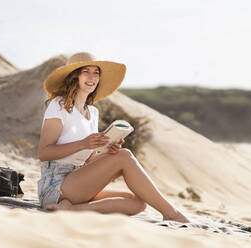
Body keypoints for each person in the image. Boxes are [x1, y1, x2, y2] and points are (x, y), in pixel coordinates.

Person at [37, 52, 190, 223]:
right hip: (54, 187)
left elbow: (88, 160)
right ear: (74, 76)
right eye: (86, 71)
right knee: (124, 155)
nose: (92, 77)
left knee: (138, 203)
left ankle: (75, 209)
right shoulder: (59, 105)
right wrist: (83, 144)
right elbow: (44, 153)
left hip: (77, 182)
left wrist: (107, 152)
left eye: (96, 73)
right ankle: (172, 213)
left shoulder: (92, 112)